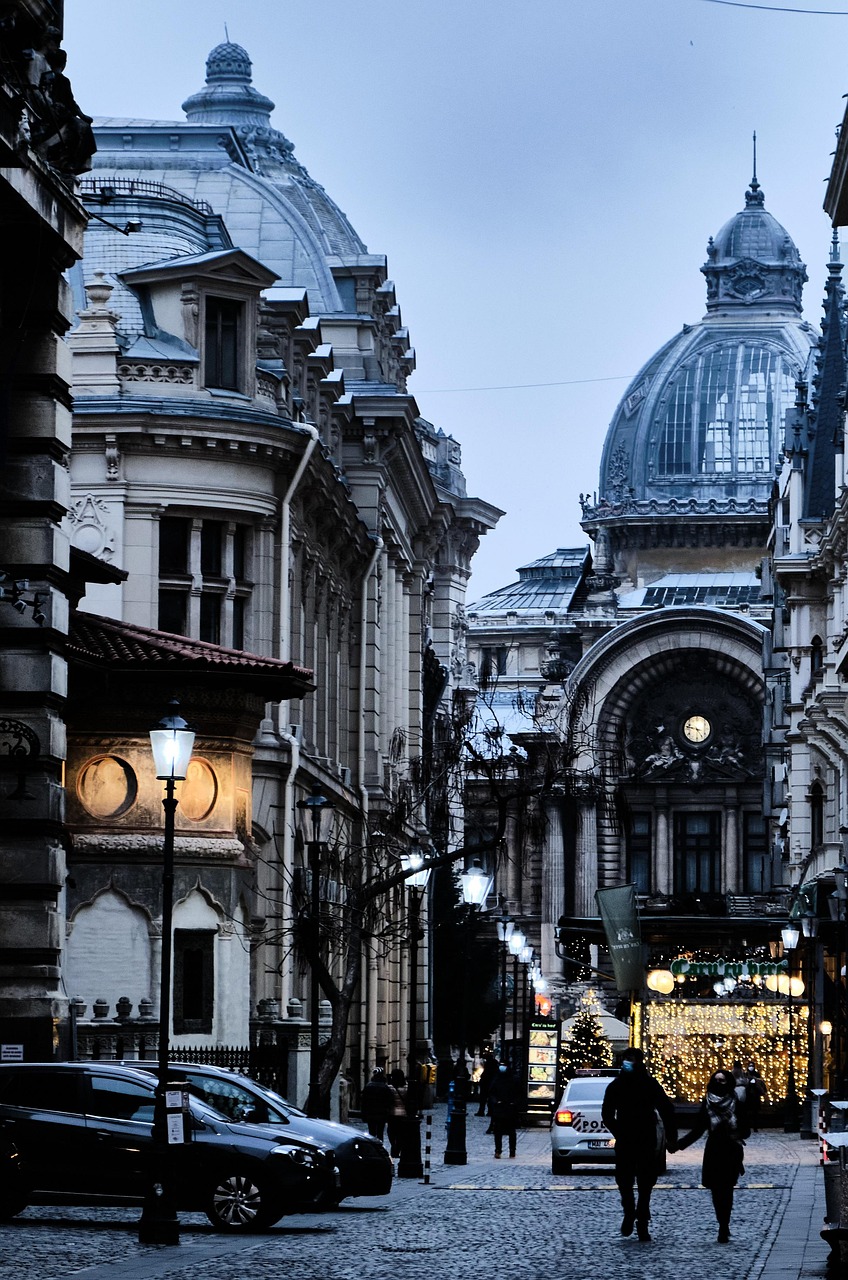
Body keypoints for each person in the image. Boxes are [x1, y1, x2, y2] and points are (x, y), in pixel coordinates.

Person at [601, 1047, 677, 1242]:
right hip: (627, 1138)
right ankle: (629, 1211)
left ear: (639, 1061)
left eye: (631, 1059)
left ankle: (642, 1220)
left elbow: (666, 1108)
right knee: (624, 1180)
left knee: (645, 1183)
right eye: (625, 1059)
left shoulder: (649, 1084)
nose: (627, 1062)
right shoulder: (616, 1085)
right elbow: (607, 1113)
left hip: (645, 1138)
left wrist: (671, 1135)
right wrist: (618, 1131)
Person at [677, 1069, 750, 1243]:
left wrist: (736, 1132)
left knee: (727, 1189)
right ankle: (722, 1223)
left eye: (723, 1080)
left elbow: (746, 1130)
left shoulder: (736, 1103)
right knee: (717, 1191)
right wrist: (679, 1145)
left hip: (732, 1150)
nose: (719, 1084)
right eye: (716, 1080)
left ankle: (724, 1225)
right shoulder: (708, 1103)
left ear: (729, 1082)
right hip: (714, 1150)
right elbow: (698, 1129)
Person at [487, 1063, 521, 1158]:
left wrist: (514, 1103)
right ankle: (498, 1150)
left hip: (509, 1109)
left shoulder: (513, 1080)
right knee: (498, 1131)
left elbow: (518, 1093)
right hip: (500, 1109)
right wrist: (496, 1102)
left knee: (511, 1131)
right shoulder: (497, 1079)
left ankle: (512, 1150)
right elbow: (491, 1093)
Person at [360, 1068, 394, 1142]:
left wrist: (363, 1113)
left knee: (371, 1132)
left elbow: (364, 1101)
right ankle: (379, 1147)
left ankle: (373, 1148)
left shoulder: (368, 1086)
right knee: (380, 1132)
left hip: (370, 1113)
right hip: (382, 1113)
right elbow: (390, 1101)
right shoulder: (385, 1087)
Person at [386, 1069, 408, 1157]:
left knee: (391, 1132)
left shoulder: (389, 1087)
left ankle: (393, 1148)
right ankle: (398, 1149)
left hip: (392, 1114)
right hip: (403, 1114)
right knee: (401, 1134)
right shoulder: (407, 1087)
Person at [743, 1061, 767, 1130]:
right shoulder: (745, 1074)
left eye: (752, 1066)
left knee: (755, 1112)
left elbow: (760, 1084)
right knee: (747, 1112)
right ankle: (748, 1126)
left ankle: (755, 1126)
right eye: (750, 1066)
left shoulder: (756, 1074)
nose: (751, 1067)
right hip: (748, 1095)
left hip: (755, 1095)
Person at [476, 1051, 499, 1116]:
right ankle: (490, 1111)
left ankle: (482, 1111)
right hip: (489, 1082)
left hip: (486, 1083)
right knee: (489, 1098)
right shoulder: (494, 1063)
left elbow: (486, 1073)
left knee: (483, 1098)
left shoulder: (489, 1063)